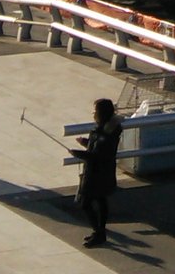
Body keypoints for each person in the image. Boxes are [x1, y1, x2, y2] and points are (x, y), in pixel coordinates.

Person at [71, 97, 121, 247]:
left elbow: (98, 155)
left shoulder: (108, 133)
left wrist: (78, 153)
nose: (93, 114)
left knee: (86, 203)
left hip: (99, 173)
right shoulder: (101, 129)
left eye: (96, 111)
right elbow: (95, 147)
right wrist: (85, 143)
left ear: (102, 113)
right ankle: (99, 232)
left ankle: (99, 232)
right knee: (100, 201)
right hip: (97, 171)